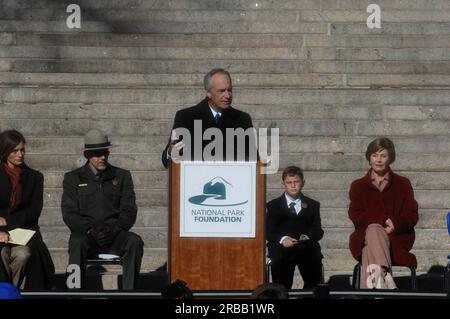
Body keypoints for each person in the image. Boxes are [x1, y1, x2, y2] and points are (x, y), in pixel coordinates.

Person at [61, 129, 143, 290]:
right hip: (87, 236)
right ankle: (73, 292)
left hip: (115, 235)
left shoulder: (121, 176)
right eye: (97, 154)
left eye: (105, 152)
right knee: (76, 241)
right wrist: (90, 229)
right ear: (87, 155)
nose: (103, 157)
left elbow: (129, 209)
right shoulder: (73, 178)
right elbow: (69, 213)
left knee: (134, 241)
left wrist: (116, 228)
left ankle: (130, 293)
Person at [348, 137, 418, 289]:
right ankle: (387, 278)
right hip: (365, 236)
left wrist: (395, 224)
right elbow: (355, 214)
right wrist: (380, 223)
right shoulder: (358, 185)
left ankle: (375, 290)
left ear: (390, 158)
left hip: (396, 237)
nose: (378, 160)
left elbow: (412, 214)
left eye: (383, 155)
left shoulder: (403, 184)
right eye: (374, 155)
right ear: (369, 158)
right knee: (373, 230)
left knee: (369, 249)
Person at [162, 68, 256, 168]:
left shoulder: (242, 119)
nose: (227, 95)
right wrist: (171, 152)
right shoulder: (186, 117)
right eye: (221, 91)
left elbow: (254, 160)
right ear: (208, 93)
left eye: (229, 90)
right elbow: (166, 161)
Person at [0, 129, 55, 289]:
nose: (20, 154)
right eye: (15, 150)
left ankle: (11, 291)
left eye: (22, 150)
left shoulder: (34, 177)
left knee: (23, 254)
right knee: (2, 253)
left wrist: (6, 222)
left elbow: (34, 211)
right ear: (4, 151)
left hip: (21, 232)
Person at [266, 166, 324, 289]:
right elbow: (268, 231)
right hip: (282, 250)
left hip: (306, 248)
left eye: (296, 182)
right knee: (281, 284)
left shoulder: (313, 205)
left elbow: (318, 231)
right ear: (283, 184)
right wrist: (283, 239)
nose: (293, 185)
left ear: (303, 183)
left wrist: (307, 237)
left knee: (313, 282)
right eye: (289, 182)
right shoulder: (273, 206)